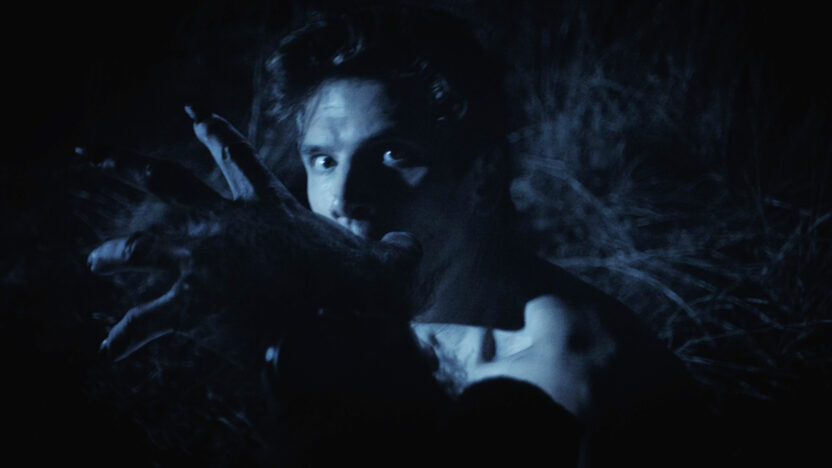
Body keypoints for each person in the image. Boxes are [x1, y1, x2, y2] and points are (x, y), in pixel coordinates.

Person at [86, 6, 702, 467]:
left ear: (483, 176)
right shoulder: (351, 331)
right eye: (323, 160)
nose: (345, 196)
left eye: (392, 154)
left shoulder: (564, 370)